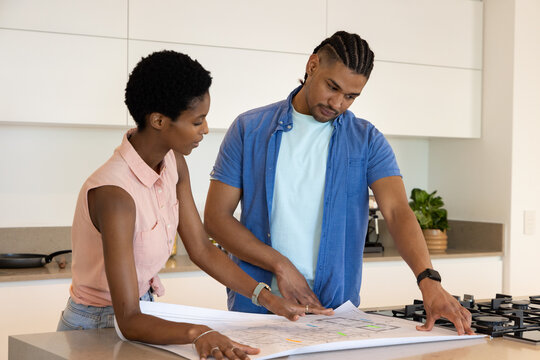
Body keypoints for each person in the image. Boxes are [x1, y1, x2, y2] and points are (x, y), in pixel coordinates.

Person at [57, 50, 332, 360]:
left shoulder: (173, 163)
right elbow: (128, 319)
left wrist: (268, 299)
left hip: (144, 314)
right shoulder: (115, 195)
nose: (205, 129)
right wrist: (197, 332)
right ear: (159, 120)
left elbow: (201, 248)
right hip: (95, 327)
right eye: (197, 121)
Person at [204, 31, 474, 335]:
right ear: (313, 65)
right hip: (256, 308)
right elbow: (216, 219)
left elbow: (397, 211)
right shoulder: (249, 129)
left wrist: (429, 280)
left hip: (334, 314)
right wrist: (281, 265)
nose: (337, 103)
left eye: (351, 96)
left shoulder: (367, 140)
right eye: (332, 87)